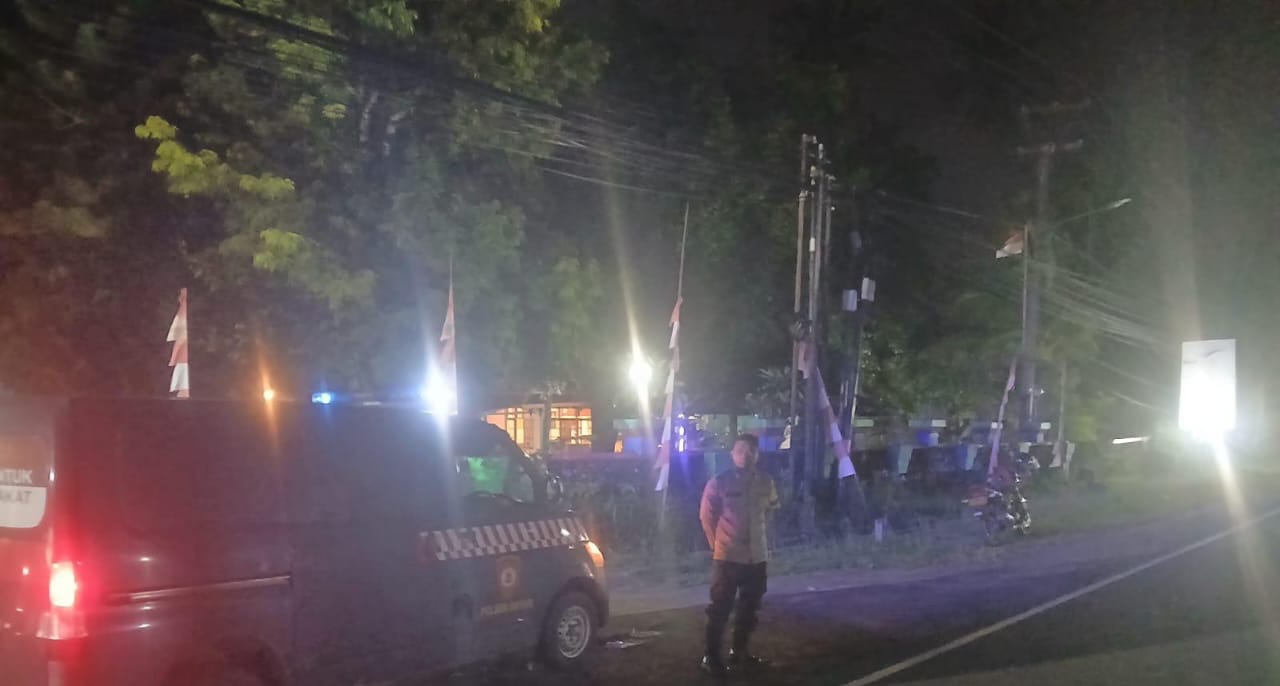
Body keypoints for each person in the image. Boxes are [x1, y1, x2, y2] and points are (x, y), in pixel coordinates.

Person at [698, 433, 780, 676]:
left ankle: (739, 652)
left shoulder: (766, 482)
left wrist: (767, 543)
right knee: (720, 608)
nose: (746, 455)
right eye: (741, 450)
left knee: (749, 608)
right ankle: (711, 657)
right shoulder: (719, 483)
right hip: (728, 557)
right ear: (732, 454)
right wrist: (717, 545)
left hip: (757, 557)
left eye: (751, 450)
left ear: (758, 455)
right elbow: (706, 516)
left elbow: (771, 512)